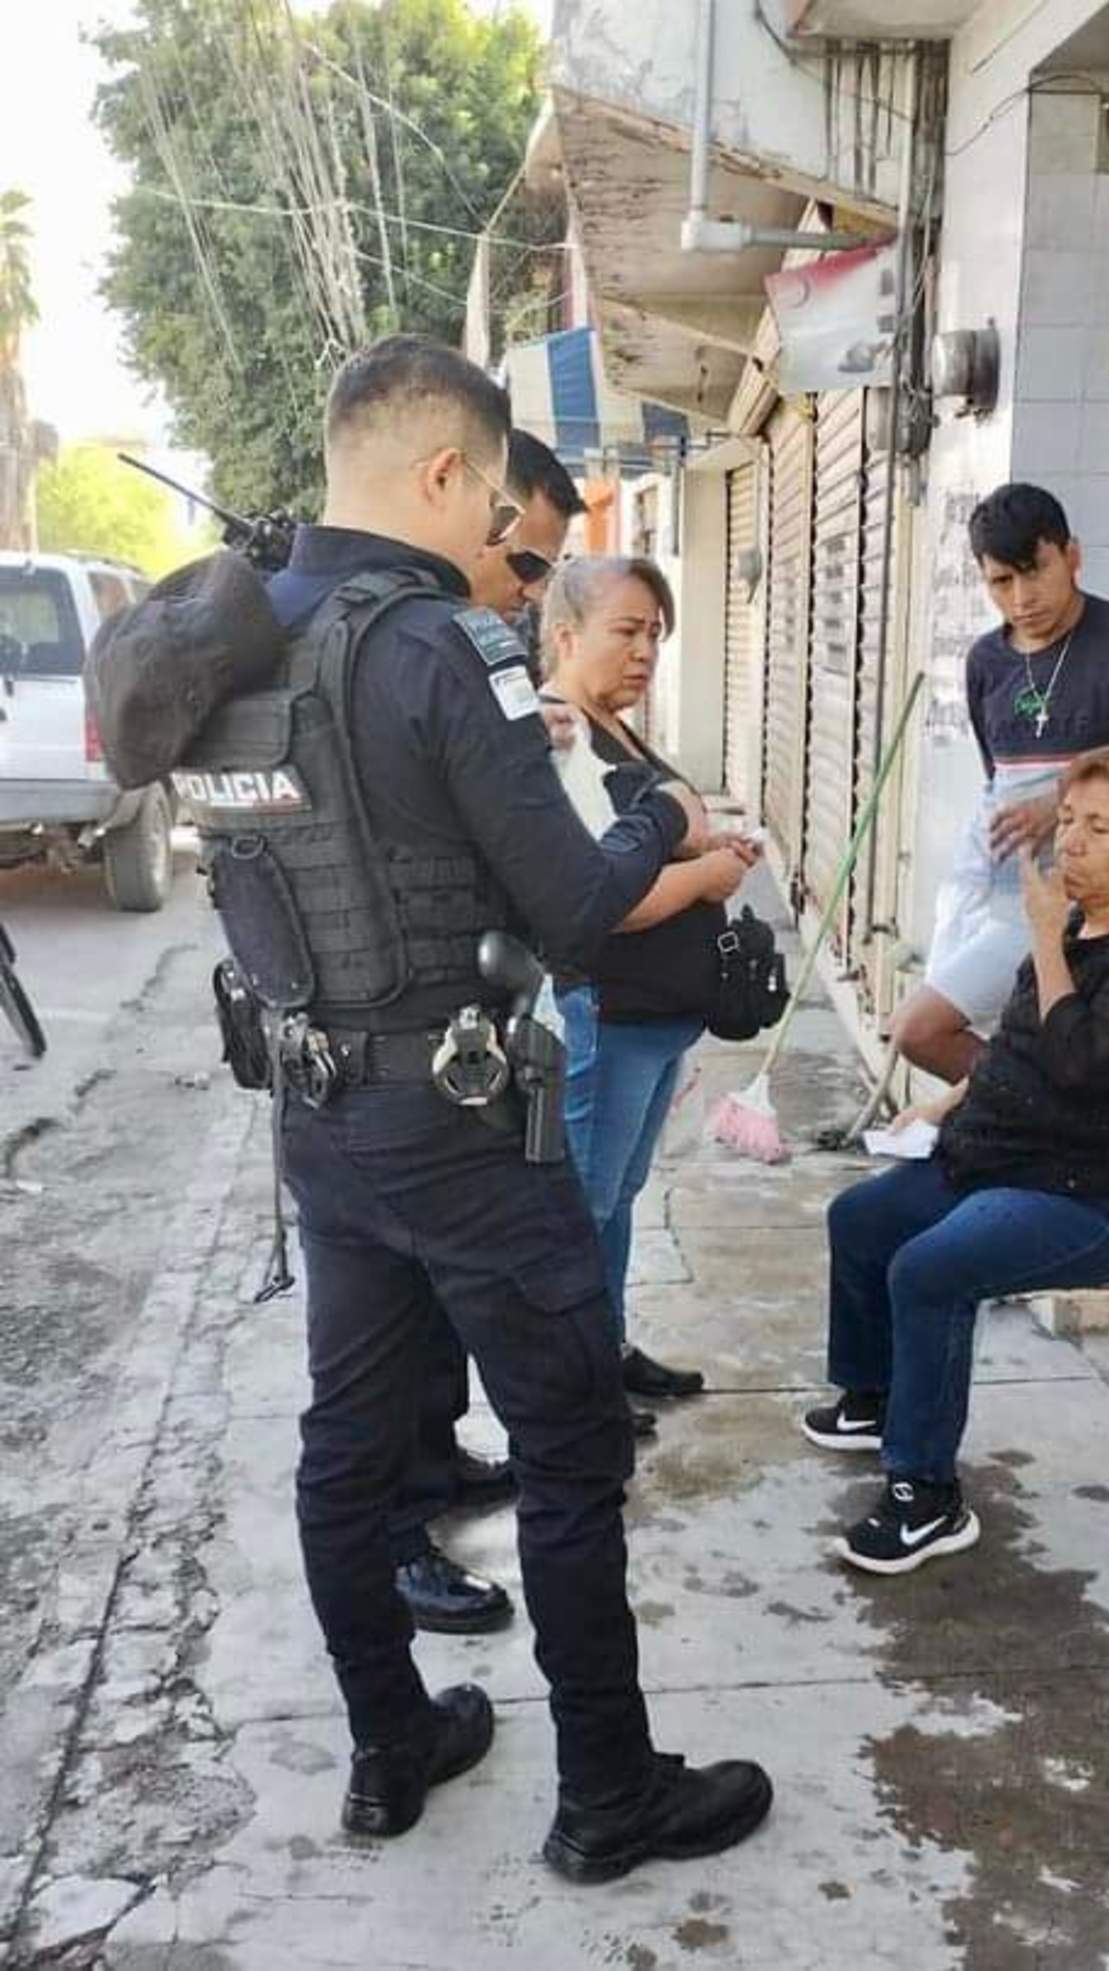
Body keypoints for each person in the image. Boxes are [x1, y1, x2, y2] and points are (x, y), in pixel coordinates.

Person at [195, 335, 771, 1874]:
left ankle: (391, 1746)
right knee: (571, 1445)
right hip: (459, 1130)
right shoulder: (438, 644)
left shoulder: (236, 634)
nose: (502, 540)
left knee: (347, 1444)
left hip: (319, 1121)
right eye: (495, 508)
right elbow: (577, 910)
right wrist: (656, 813)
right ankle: (610, 1794)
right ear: (443, 469)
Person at [803, 743, 1109, 1575]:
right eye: (1067, 818)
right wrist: (944, 1104)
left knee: (930, 1269)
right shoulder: (1081, 917)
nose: (1068, 840)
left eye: (1098, 828)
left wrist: (1043, 937)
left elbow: (1081, 1062)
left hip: (1105, 1195)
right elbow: (1018, 1044)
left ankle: (926, 1494)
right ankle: (875, 1397)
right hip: (1014, 1157)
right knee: (862, 1218)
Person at [384, 429, 588, 1638]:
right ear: (457, 502)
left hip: (446, 1047)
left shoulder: (448, 658)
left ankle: (435, 1462)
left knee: (420, 1314)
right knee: (387, 1329)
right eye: (522, 563)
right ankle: (401, 1534)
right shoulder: (406, 654)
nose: (529, 591)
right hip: (400, 1069)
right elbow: (566, 897)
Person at [540, 558, 757, 1415]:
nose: (644, 653)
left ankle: (610, 1345)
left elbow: (653, 847)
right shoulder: (560, 735)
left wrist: (709, 851)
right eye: (626, 631)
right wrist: (705, 877)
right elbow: (605, 900)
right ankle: (574, 1391)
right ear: (566, 635)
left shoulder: (616, 729)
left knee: (619, 1196)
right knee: (583, 1205)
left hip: (656, 1015)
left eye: (655, 636)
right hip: (608, 1010)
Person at [893, 484, 1109, 1084]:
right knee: (924, 1031)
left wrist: (1060, 803)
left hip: (1097, 902)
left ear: (1072, 555)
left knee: (924, 1028)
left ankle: (1033, 1109)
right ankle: (1033, 1109)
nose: (1022, 598)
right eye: (1001, 582)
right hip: (1001, 894)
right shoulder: (986, 663)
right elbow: (1000, 780)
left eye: (1035, 570)